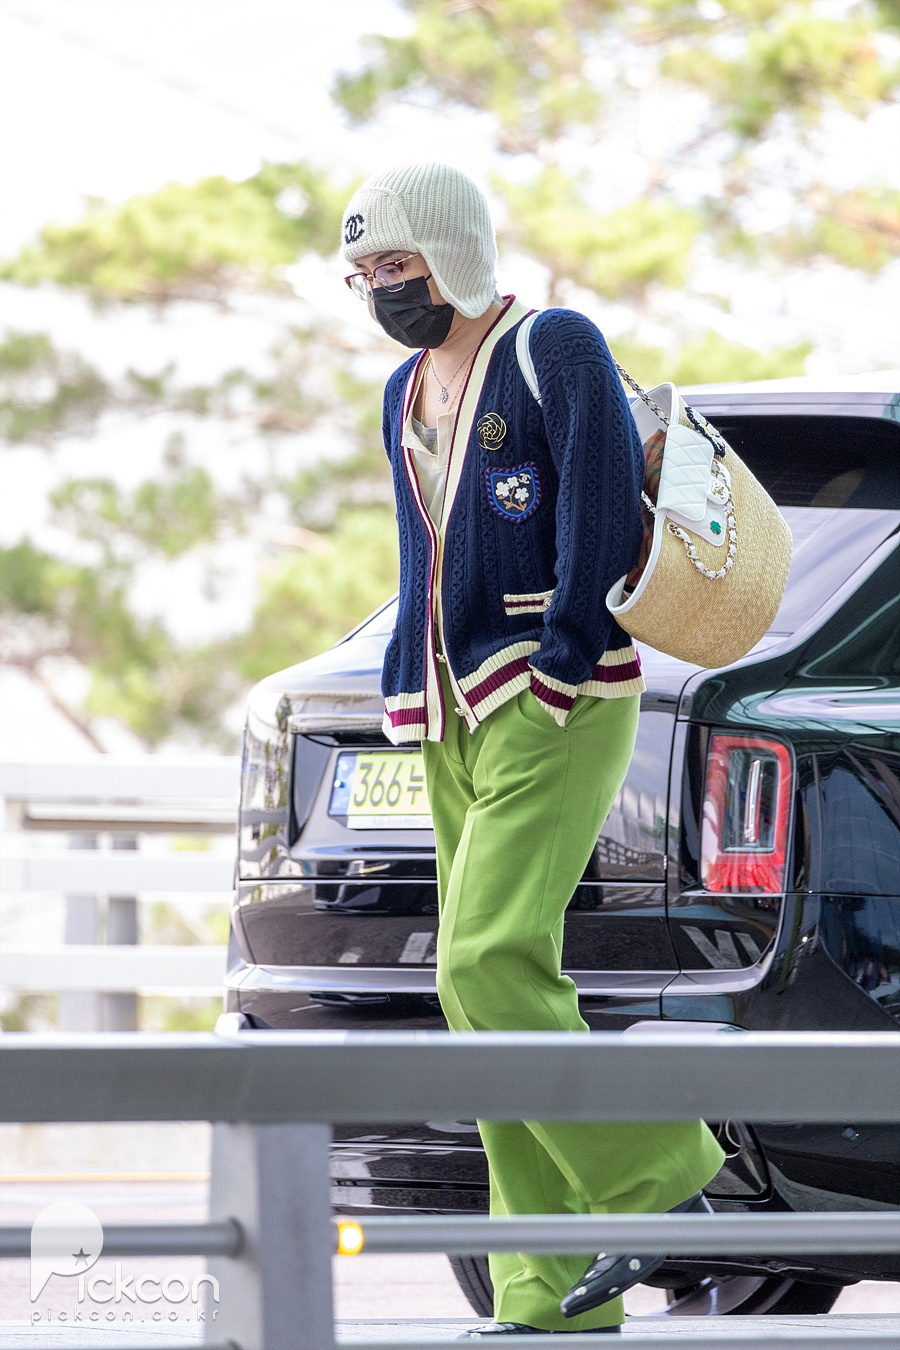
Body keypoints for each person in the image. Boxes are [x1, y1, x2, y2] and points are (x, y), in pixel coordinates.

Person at [340, 163, 725, 1338]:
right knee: (486, 991)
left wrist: (563, 658)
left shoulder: (552, 346)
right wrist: (406, 683)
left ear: (452, 250)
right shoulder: (406, 388)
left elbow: (599, 514)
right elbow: (420, 552)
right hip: (450, 709)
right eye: (364, 272)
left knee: (485, 960)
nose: (381, 288)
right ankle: (540, 1294)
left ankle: (660, 1183)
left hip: (556, 695)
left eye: (396, 264)